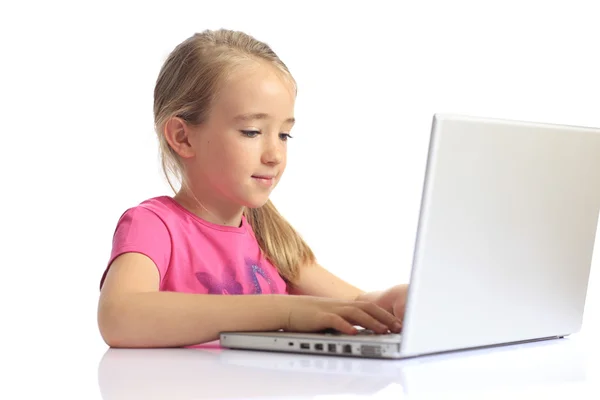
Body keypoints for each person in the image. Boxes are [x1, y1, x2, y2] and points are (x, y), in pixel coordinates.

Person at [97, 29, 408, 348]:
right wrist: (284, 312)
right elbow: (119, 316)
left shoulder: (269, 234)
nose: (274, 155)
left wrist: (391, 301)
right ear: (183, 137)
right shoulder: (154, 225)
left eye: (284, 135)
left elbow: (354, 303)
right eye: (251, 131)